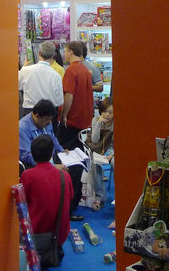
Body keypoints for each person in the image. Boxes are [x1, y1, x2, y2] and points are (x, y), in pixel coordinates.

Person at [60, 40, 94, 219]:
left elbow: (69, 95)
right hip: (83, 122)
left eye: (65, 51)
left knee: (68, 163)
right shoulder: (86, 70)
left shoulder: (71, 71)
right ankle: (73, 203)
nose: (64, 54)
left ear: (71, 51)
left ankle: (67, 207)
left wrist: (64, 115)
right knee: (77, 163)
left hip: (72, 123)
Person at [20, 135, 73, 251]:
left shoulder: (27, 175)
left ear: (32, 153)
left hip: (36, 233)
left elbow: (22, 203)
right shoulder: (65, 176)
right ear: (51, 153)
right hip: (59, 233)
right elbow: (70, 198)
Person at [18, 41, 64, 118]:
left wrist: (24, 67)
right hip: (49, 113)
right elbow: (59, 101)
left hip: (30, 112)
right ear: (53, 55)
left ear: (39, 53)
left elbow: (18, 86)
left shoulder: (26, 70)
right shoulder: (56, 75)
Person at [19, 99, 65, 169]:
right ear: (37, 116)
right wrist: (51, 167)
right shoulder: (22, 129)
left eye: (51, 119)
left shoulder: (45, 121)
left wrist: (61, 150)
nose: (50, 123)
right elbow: (27, 156)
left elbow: (52, 138)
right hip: (34, 165)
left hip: (49, 160)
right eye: (47, 119)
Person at [86, 98, 114, 211]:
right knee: (94, 163)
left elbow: (119, 143)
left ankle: (119, 195)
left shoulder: (116, 122)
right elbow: (94, 140)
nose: (107, 115)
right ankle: (99, 197)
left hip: (111, 150)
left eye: (110, 112)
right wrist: (98, 124)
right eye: (104, 111)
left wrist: (113, 154)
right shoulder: (95, 120)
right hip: (97, 149)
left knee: (116, 163)